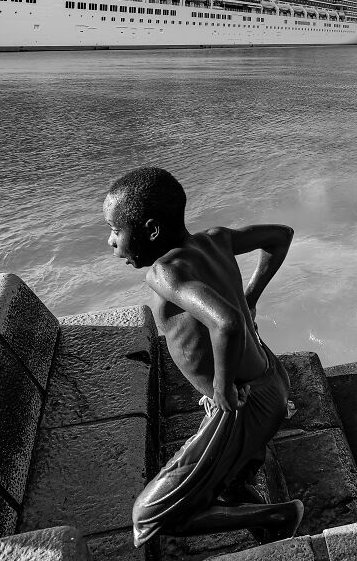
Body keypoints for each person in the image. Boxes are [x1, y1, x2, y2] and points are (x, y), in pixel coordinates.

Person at [102, 167, 304, 548]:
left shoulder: (164, 272)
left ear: (150, 230)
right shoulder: (216, 239)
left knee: (147, 517)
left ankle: (280, 516)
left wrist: (222, 389)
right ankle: (256, 515)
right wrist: (250, 296)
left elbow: (226, 323)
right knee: (226, 482)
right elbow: (281, 237)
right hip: (273, 380)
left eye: (115, 230)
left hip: (244, 403)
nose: (111, 241)